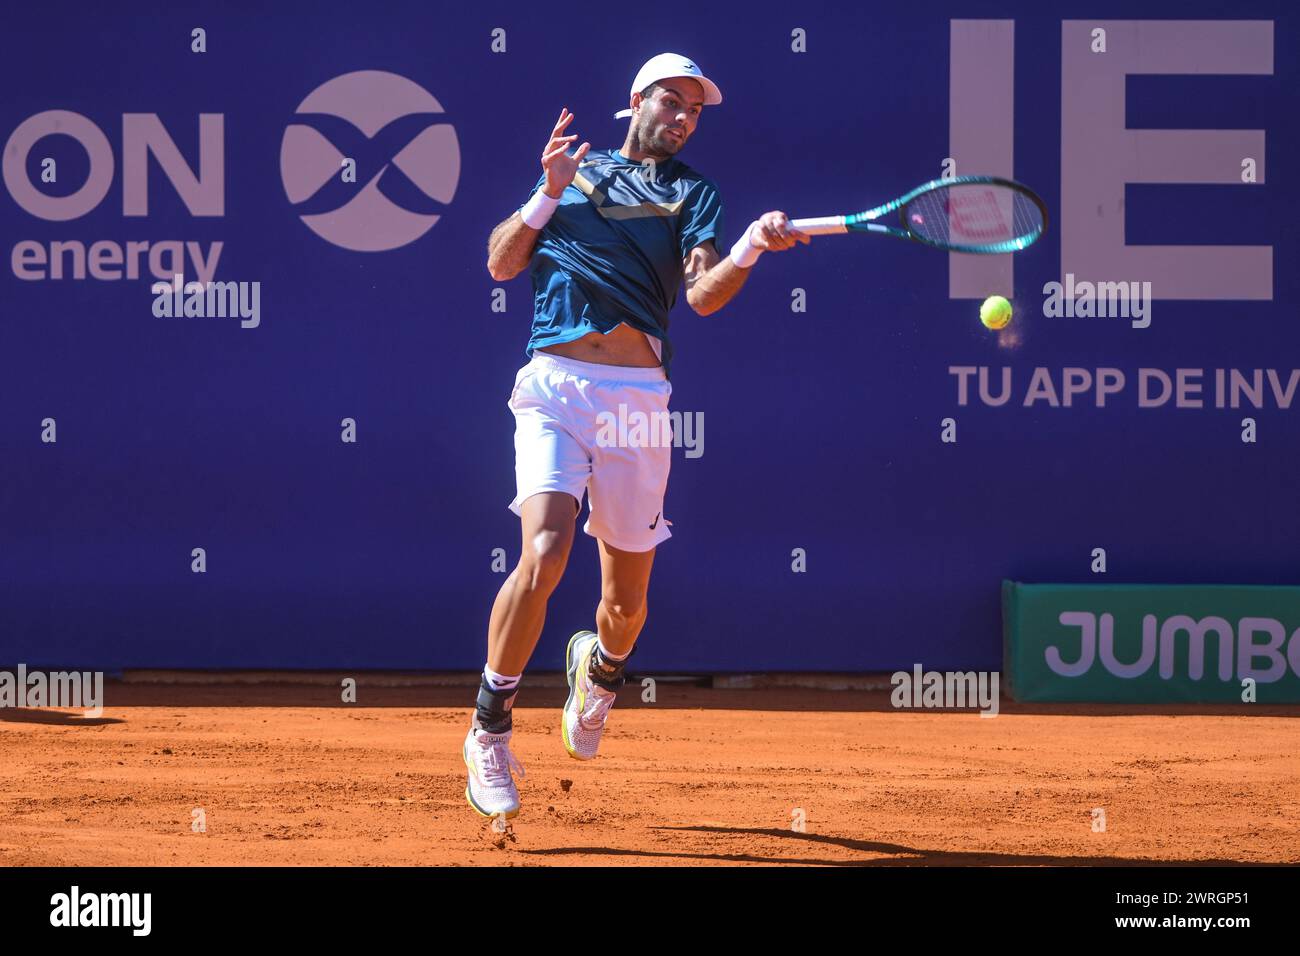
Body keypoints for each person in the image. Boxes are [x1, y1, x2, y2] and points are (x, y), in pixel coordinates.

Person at [465, 52, 808, 819]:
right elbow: (499, 263)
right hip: (553, 386)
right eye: (672, 101)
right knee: (546, 551)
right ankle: (489, 730)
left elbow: (705, 296)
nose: (684, 117)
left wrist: (750, 244)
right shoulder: (576, 175)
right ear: (635, 102)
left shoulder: (694, 193)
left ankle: (604, 671)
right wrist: (546, 194)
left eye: (696, 109)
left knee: (623, 606)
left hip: (636, 399)